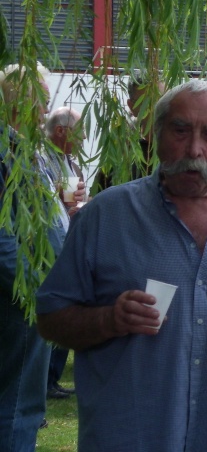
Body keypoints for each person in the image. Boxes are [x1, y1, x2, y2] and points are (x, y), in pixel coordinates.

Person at [35, 81, 207, 449]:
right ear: (156, 135)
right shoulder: (105, 217)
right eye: (180, 130)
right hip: (130, 436)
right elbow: (51, 316)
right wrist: (109, 319)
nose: (194, 148)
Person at [1, 63, 68, 451]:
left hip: (28, 292)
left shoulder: (19, 147)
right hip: (21, 299)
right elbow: (2, 237)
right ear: (17, 102)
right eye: (40, 101)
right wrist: (36, 289)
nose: (45, 111)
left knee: (23, 400)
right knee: (18, 404)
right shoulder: (6, 150)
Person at [42, 107, 87, 401]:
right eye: (79, 131)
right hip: (49, 244)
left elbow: (76, 193)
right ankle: (44, 380)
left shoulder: (71, 161)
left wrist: (82, 197)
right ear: (61, 132)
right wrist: (57, 201)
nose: (83, 138)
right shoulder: (41, 159)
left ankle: (53, 377)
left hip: (69, 237)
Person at [92, 70, 164, 194]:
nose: (156, 108)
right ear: (132, 107)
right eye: (147, 102)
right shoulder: (120, 147)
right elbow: (98, 194)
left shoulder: (184, 146)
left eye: (161, 99)